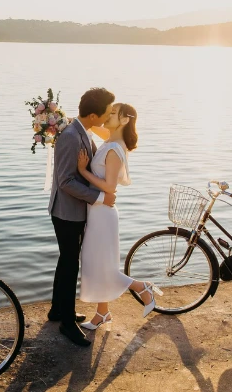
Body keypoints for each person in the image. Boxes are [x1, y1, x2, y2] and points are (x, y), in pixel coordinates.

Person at [76, 103, 161, 330]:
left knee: (103, 267)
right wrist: (66, 120)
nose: (107, 115)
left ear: (124, 120)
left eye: (112, 113)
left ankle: (142, 287)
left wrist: (83, 171)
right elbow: (94, 127)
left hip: (103, 214)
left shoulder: (114, 149)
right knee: (97, 264)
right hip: (97, 212)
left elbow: (110, 188)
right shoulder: (112, 140)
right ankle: (102, 313)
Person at [48, 87, 116, 347]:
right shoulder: (71, 136)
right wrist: (99, 198)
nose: (108, 115)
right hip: (67, 212)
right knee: (69, 265)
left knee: (66, 261)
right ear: (92, 114)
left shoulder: (82, 130)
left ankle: (57, 310)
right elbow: (65, 181)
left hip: (74, 210)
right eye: (107, 111)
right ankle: (67, 322)